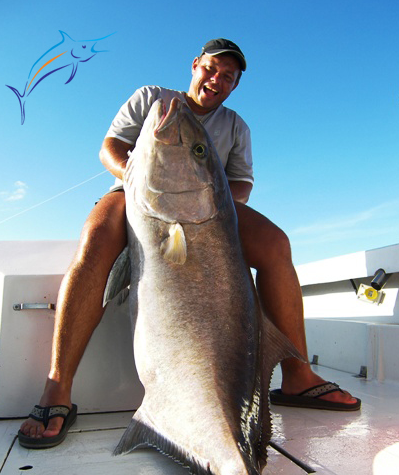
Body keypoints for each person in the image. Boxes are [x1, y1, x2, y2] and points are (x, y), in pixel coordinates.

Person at [18, 39, 359, 449]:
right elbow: (110, 147)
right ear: (195, 65)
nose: (217, 79)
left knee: (274, 243)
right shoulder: (153, 98)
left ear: (234, 86)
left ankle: (297, 376)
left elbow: (241, 186)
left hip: (207, 209)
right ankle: (58, 385)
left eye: (228, 77)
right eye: (212, 69)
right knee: (95, 238)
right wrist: (141, 180)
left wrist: (198, 213)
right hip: (131, 191)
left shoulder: (236, 126)